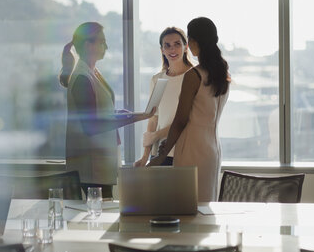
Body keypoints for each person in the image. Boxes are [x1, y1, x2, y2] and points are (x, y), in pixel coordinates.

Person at [59, 22, 154, 197]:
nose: (106, 46)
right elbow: (91, 126)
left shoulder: (93, 73)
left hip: (100, 164)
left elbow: (98, 113)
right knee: (98, 219)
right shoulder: (82, 78)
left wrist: (120, 115)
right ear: (89, 45)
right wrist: (133, 118)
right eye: (102, 42)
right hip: (91, 168)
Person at [147, 17, 230, 202]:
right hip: (212, 148)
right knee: (206, 206)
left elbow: (181, 120)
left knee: (184, 208)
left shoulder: (194, 75)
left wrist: (161, 155)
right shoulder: (223, 73)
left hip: (191, 148)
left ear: (191, 42)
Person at [134, 27, 194, 167]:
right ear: (162, 50)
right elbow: (153, 118)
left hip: (185, 151)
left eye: (177, 44)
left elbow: (189, 119)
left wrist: (157, 135)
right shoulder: (157, 79)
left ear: (186, 47)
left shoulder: (194, 77)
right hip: (160, 154)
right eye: (167, 46)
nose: (172, 49)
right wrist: (145, 157)